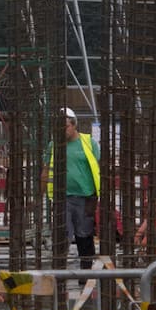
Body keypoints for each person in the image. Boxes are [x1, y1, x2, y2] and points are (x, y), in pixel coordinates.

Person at [41, 107, 100, 269]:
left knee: (84, 235)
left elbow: (99, 168)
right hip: (62, 198)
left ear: (74, 125)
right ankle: (60, 271)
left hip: (86, 197)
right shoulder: (54, 145)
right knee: (62, 235)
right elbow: (46, 171)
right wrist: (40, 195)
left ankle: (86, 272)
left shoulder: (88, 143)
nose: (62, 131)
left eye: (65, 126)